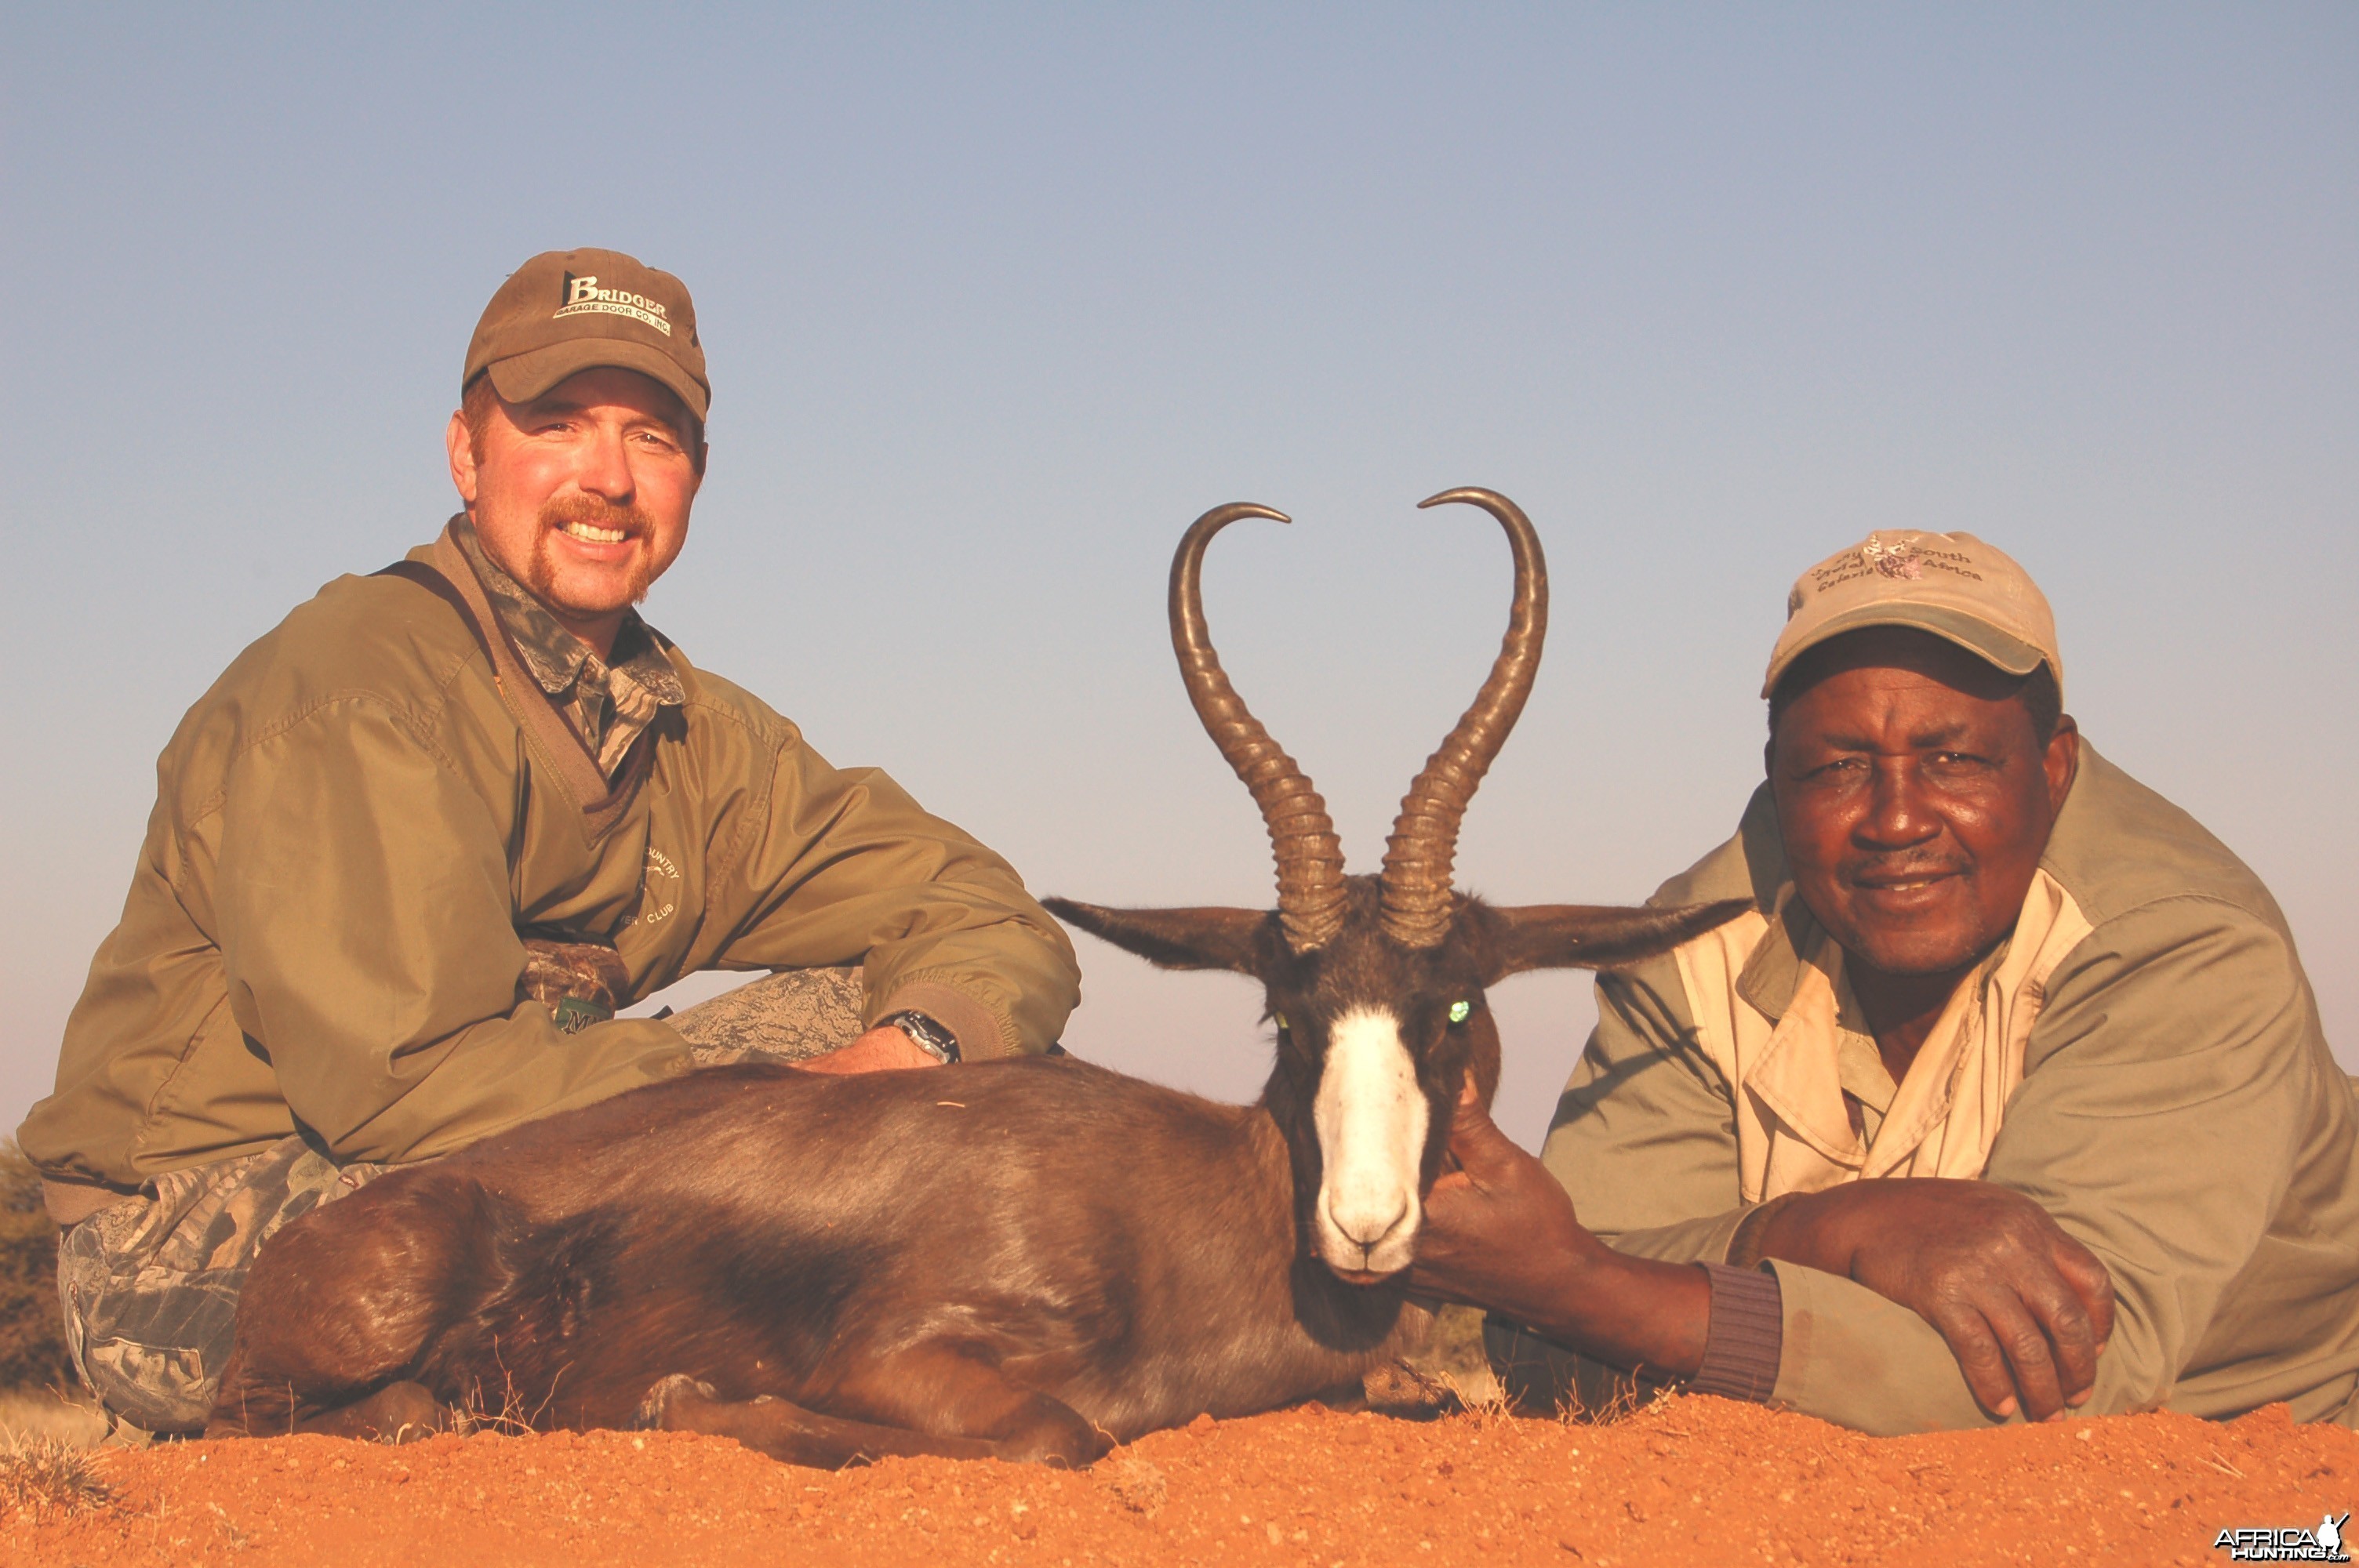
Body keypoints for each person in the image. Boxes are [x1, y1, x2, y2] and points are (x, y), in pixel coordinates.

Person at [18, 248, 1081, 1435]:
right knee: (686, 1225)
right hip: (203, 1229)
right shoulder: (360, 689)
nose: (608, 477)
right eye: (558, 424)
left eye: (653, 438)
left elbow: (985, 910)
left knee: (886, 1021)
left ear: (698, 476)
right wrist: (765, 1118)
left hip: (508, 1157)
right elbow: (413, 1085)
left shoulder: (694, 729)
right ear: (466, 454)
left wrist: (915, 1050)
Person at [1409, 529, 2359, 1432]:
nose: (1895, 819)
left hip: (2244, 1470)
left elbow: (2069, 1372)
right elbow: (1551, 1300)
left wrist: (1591, 1289)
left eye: (1954, 758)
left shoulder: (2183, 946)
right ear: (1776, 780)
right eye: (1835, 766)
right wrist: (1823, 1230)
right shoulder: (1697, 941)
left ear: (2053, 765)